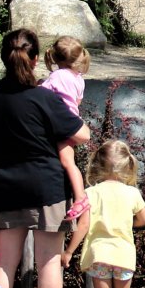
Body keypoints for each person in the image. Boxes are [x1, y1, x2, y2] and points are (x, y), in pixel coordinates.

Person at [0, 28, 91, 288]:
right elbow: (80, 133)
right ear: (37, 59)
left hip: (5, 186)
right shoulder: (46, 98)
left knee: (4, 262)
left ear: (3, 57)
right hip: (45, 188)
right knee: (49, 262)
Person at [64, 139, 145, 288]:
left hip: (98, 254)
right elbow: (144, 219)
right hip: (123, 254)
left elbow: (83, 225)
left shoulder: (92, 193)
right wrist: (124, 224)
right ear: (127, 165)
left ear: (97, 165)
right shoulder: (132, 193)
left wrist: (69, 251)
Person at [40, 35, 93, 219]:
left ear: (55, 58)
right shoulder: (78, 78)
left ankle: (80, 198)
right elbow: (77, 101)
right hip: (72, 121)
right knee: (69, 162)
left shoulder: (58, 76)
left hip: (63, 123)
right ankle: (78, 196)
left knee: (67, 162)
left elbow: (46, 95)